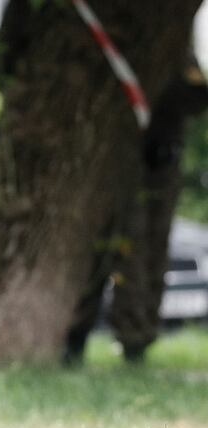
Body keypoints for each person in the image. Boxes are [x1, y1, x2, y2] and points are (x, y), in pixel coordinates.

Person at [64, 55, 208, 363]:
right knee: (111, 251)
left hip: (159, 162)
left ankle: (135, 340)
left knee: (148, 251)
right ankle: (77, 336)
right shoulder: (113, 47)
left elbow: (197, 97)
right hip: (115, 163)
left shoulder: (172, 46)